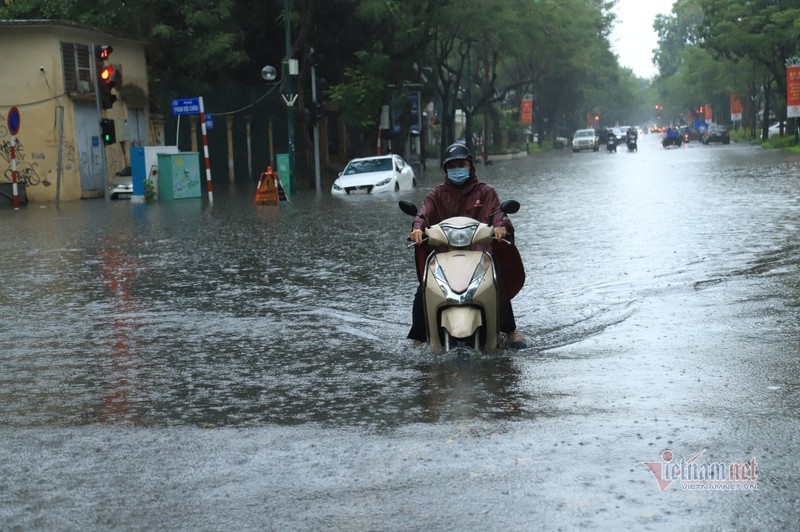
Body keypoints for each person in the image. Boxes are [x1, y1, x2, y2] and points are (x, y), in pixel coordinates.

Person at [407, 142, 526, 349]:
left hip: (480, 254)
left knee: (497, 284)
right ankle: (418, 337)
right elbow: (423, 213)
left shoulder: (486, 192)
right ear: (446, 169)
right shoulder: (436, 195)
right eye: (452, 166)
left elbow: (498, 213)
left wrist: (500, 227)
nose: (457, 170)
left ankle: (510, 330)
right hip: (444, 256)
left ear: (471, 166)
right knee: (423, 290)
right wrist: (418, 228)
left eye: (461, 165)